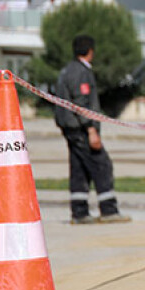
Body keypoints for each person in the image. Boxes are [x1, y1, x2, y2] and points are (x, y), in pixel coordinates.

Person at [54, 35, 130, 224]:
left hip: (70, 128)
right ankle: (109, 209)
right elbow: (81, 103)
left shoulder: (66, 71)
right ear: (90, 51)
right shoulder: (81, 73)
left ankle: (79, 212)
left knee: (79, 168)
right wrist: (91, 130)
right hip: (81, 128)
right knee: (101, 164)